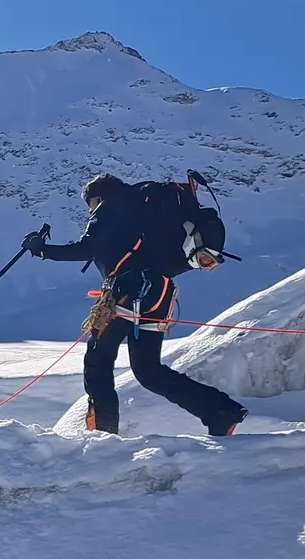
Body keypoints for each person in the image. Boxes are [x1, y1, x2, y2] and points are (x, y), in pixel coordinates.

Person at [27, 173, 248, 437]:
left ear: (98, 196)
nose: (90, 210)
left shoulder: (110, 207)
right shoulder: (149, 206)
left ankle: (102, 435)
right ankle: (221, 413)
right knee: (148, 370)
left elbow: (87, 248)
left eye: (90, 205)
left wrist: (42, 250)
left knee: (99, 360)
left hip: (125, 291)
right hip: (161, 292)